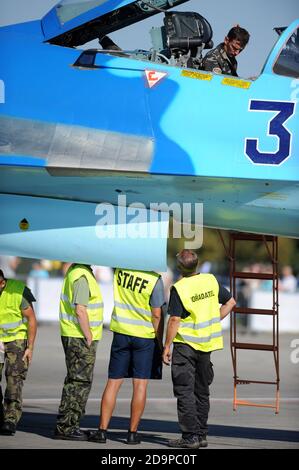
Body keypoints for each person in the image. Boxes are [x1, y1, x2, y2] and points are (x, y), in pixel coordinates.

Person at [162, 250, 236, 449]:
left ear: (179, 268)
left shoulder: (180, 288)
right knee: (202, 392)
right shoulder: (210, 280)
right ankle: (201, 434)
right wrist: (213, 319)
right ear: (197, 264)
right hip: (207, 345)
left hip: (186, 344)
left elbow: (175, 320)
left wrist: (166, 345)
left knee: (185, 392)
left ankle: (190, 437)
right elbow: (230, 302)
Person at [88, 268, 165, 445]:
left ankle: (102, 430)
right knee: (140, 385)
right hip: (144, 337)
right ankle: (132, 433)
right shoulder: (154, 279)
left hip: (121, 332)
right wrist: (159, 341)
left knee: (113, 382)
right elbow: (156, 313)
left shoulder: (121, 270)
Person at [53, 263, 104, 441]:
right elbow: (80, 309)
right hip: (79, 337)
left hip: (73, 334)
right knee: (79, 382)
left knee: (75, 381)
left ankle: (68, 425)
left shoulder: (77, 271)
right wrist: (88, 334)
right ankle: (67, 426)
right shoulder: (81, 275)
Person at [0, 269, 37, 436]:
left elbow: (31, 319)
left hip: (16, 339)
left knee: (14, 379)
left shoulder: (17, 291)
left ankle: (10, 419)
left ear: (2, 282)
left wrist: (30, 347)